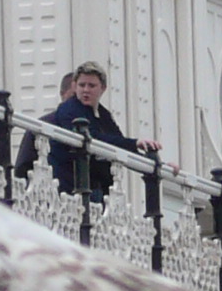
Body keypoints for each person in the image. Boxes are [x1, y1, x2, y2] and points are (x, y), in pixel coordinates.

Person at [39, 64, 155, 204]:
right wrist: (134, 142)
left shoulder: (103, 114)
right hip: (70, 190)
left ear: (103, 88)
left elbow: (118, 142)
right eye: (82, 85)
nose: (86, 90)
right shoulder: (68, 109)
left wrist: (153, 161)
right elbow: (93, 138)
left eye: (91, 86)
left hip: (95, 190)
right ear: (75, 86)